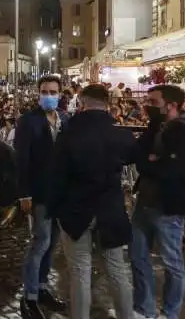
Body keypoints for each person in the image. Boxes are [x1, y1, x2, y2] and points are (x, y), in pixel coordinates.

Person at [48, 84, 136, 319]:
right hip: (111, 210)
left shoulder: (69, 135)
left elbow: (57, 176)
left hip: (76, 210)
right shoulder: (121, 135)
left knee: (79, 272)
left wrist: (55, 210)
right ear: (107, 104)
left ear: (82, 102)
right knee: (117, 270)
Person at [131, 84, 185, 319]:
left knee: (172, 262)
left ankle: (170, 313)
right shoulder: (155, 127)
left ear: (171, 105)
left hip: (169, 206)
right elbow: (139, 156)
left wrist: (152, 163)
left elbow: (176, 170)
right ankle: (145, 309)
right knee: (138, 257)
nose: (148, 106)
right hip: (145, 202)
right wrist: (153, 161)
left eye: (153, 102)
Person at [15, 74, 68, 319]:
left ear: (60, 93)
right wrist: (24, 193)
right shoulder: (28, 121)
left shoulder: (65, 119)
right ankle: (30, 296)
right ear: (38, 93)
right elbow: (22, 159)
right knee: (40, 242)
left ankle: (43, 286)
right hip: (39, 191)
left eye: (53, 92)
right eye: (44, 92)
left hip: (61, 193)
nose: (49, 96)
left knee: (52, 243)